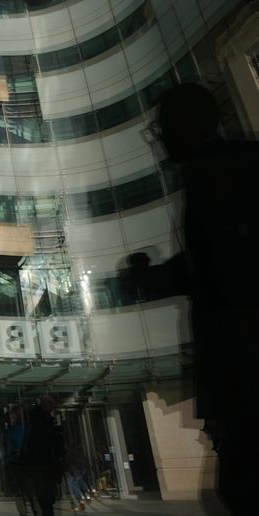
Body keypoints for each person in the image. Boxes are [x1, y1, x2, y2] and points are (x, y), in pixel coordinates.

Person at [136, 82, 259, 516]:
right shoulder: (237, 165)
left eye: (165, 127)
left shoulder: (213, 174)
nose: (162, 138)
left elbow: (223, 268)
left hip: (244, 368)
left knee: (240, 486)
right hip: (240, 372)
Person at [21, 395, 64, 516]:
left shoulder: (38, 421)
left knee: (44, 497)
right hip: (43, 464)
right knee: (45, 496)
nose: (52, 407)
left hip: (41, 464)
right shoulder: (42, 422)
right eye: (50, 404)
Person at [2, 408, 34, 516]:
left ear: (16, 418)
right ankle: (24, 513)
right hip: (13, 465)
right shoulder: (6, 434)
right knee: (18, 493)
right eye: (8, 418)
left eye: (12, 417)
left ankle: (34, 511)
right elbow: (7, 449)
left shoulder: (22, 430)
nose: (10, 420)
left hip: (22, 464)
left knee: (28, 491)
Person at [63, 444, 89, 512]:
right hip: (80, 470)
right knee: (76, 486)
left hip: (70, 471)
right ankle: (81, 500)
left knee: (71, 489)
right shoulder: (76, 453)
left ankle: (74, 506)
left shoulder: (66, 453)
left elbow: (66, 463)